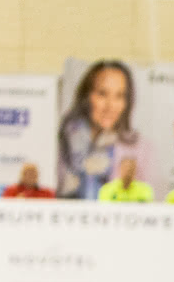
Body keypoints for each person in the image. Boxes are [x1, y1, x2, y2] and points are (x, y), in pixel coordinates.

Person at [57, 59, 142, 200]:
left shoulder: (132, 143)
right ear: (87, 96)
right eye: (102, 94)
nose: (110, 106)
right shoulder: (73, 129)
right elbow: (82, 166)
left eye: (119, 96)